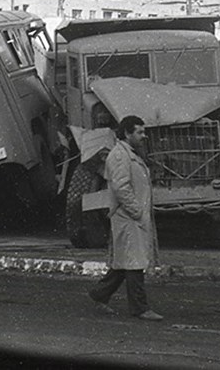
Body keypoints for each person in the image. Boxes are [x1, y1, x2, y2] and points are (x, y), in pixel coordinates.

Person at [87, 115, 163, 321]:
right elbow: (121, 188)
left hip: (131, 216)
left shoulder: (129, 153)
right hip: (128, 216)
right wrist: (137, 211)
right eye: (139, 132)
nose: (143, 136)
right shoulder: (120, 156)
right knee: (134, 262)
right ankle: (140, 308)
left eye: (143, 131)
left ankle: (99, 294)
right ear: (127, 133)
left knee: (126, 261)